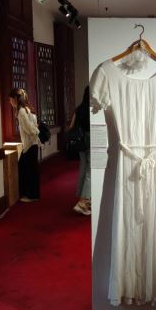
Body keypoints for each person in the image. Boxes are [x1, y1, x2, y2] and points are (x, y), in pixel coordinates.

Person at [9, 88, 40, 202]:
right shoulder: (27, 108)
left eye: (11, 99)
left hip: (29, 144)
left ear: (15, 99)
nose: (10, 102)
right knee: (29, 169)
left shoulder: (21, 111)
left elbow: (29, 128)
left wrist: (36, 131)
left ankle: (32, 195)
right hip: (32, 143)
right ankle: (31, 194)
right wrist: (35, 130)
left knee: (28, 171)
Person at [67, 86, 91, 215]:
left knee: (82, 167)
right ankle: (83, 200)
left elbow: (71, 126)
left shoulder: (79, 108)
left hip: (80, 141)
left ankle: (81, 195)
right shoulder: (93, 108)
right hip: (91, 139)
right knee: (90, 170)